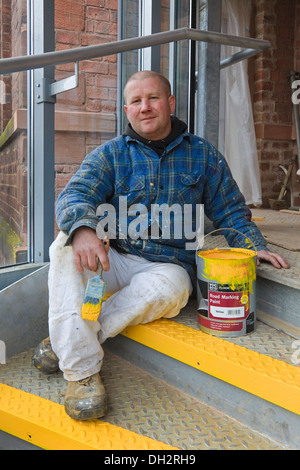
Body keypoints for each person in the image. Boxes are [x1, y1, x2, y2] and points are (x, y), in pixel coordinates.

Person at [32, 70, 289, 421]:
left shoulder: (202, 155)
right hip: (112, 258)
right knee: (63, 247)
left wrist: (251, 245)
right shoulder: (110, 154)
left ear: (169, 103)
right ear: (127, 110)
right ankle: (81, 374)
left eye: (152, 98)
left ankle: (69, 343)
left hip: (165, 266)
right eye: (136, 101)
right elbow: (75, 194)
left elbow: (230, 209)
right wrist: (84, 229)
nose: (145, 107)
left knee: (174, 289)